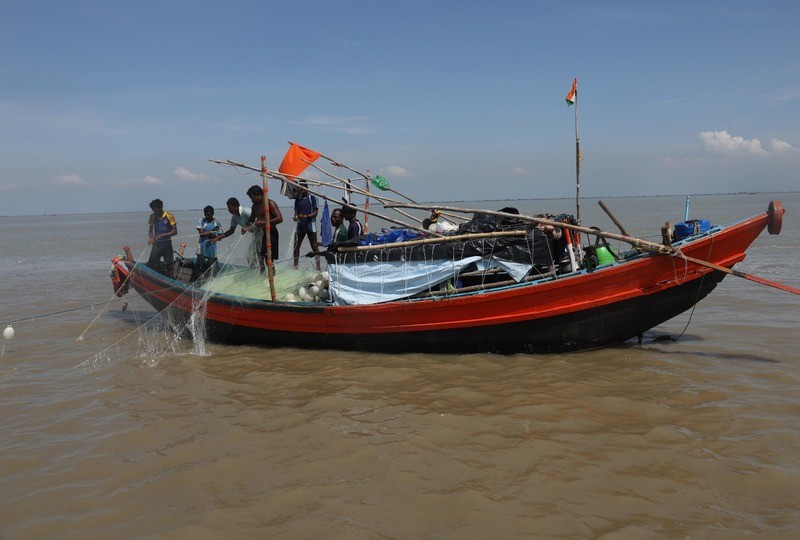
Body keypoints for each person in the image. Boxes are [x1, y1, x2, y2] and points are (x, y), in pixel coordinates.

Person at [244, 185, 283, 270]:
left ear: (259, 195)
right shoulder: (254, 206)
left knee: (269, 258)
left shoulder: (270, 203)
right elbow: (251, 219)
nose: (252, 200)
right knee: (260, 256)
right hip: (261, 235)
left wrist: (264, 223)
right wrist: (246, 227)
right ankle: (262, 275)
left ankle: (272, 275)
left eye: (253, 198)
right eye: (250, 198)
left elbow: (280, 218)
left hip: (271, 234)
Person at [212, 197, 258, 267]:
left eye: (230, 208)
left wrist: (246, 226)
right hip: (255, 235)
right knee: (249, 255)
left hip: (262, 232)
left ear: (236, 206)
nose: (229, 210)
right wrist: (219, 237)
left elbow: (258, 219)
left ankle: (262, 270)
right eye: (228, 208)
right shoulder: (235, 217)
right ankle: (254, 271)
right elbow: (231, 230)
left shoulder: (246, 211)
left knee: (258, 254)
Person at [292, 181, 321, 270]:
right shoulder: (297, 199)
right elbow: (296, 213)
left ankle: (318, 267)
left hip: (310, 226)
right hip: (300, 226)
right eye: (299, 188)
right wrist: (296, 217)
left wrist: (305, 216)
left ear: (306, 187)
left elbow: (315, 213)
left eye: (302, 188)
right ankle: (295, 267)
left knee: (314, 246)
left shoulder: (312, 198)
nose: (300, 190)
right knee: (296, 246)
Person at [147, 198, 177, 277]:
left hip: (167, 244)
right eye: (152, 210)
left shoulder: (169, 216)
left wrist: (162, 235)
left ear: (160, 208)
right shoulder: (152, 216)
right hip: (157, 245)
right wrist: (151, 238)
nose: (154, 212)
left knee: (169, 265)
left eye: (155, 210)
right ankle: (158, 275)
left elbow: (175, 231)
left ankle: (171, 280)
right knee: (152, 263)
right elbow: (150, 230)